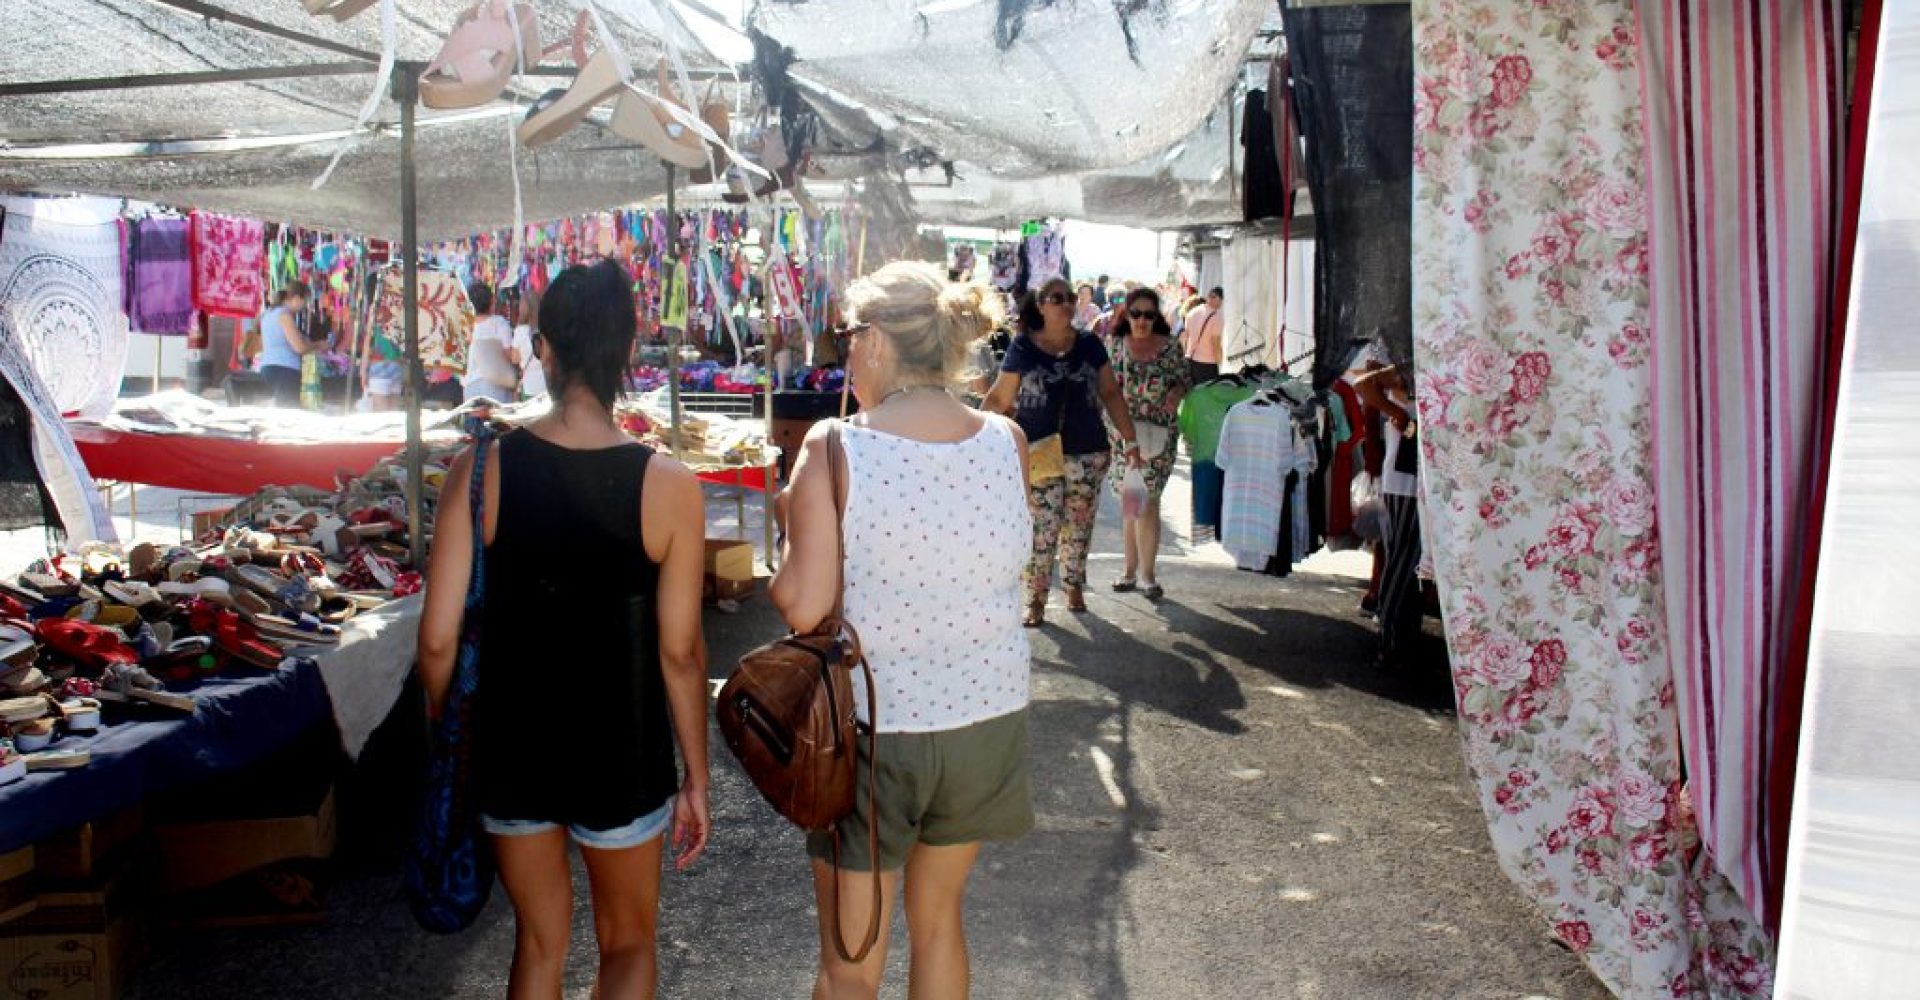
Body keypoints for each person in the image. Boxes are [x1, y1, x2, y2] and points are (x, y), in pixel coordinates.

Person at [416, 261, 712, 999]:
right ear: (627, 352)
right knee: (629, 945)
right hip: (623, 750)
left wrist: (444, 725)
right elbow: (680, 652)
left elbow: (436, 641)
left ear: (543, 348)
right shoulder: (669, 485)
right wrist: (698, 776)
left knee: (540, 944)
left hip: (513, 742)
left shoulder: (479, 470)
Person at [770, 261, 1034, 1000]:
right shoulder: (1005, 440)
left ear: (878, 342)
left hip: (877, 729)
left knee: (851, 968)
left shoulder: (834, 447)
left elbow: (800, 603)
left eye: (849, 335)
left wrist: (790, 530)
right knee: (941, 921)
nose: (844, 351)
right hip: (986, 719)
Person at [984, 277, 1142, 627]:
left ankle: (1072, 584)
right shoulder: (1023, 347)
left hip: (1087, 450)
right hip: (1038, 451)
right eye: (1057, 298)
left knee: (1079, 524)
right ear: (1040, 305)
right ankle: (1036, 598)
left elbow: (1111, 393)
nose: (1067, 303)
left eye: (1070, 297)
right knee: (1042, 528)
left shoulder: (1089, 345)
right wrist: (973, 438)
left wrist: (1130, 440)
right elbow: (1000, 398)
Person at [1107, 288, 1190, 599]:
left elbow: (1185, 379)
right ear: (1126, 315)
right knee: (1131, 500)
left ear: (1157, 317)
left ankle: (1147, 574)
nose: (1142, 320)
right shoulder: (1114, 345)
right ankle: (1129, 571)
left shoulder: (1169, 348)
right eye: (1136, 313)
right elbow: (1103, 385)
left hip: (1158, 434)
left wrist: (1176, 394)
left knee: (1148, 503)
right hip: (1121, 434)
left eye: (1149, 314)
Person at [255, 281, 319, 407]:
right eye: (304, 302)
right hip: (284, 371)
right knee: (287, 415)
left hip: (267, 367)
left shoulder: (267, 314)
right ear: (296, 298)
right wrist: (317, 345)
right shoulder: (284, 316)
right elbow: (299, 347)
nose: (304, 306)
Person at [464, 281, 518, 404]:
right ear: (492, 301)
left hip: (470, 387)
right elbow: (509, 354)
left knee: (473, 422)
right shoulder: (499, 323)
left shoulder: (466, 325)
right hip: (495, 387)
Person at [510, 287, 548, 400]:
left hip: (530, 385)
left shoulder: (520, 332)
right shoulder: (547, 329)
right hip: (547, 384)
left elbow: (514, 359)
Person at [1181, 287, 1224, 384]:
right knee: (1207, 396)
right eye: (1221, 301)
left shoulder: (1192, 312)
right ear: (1217, 299)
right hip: (1207, 364)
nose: (1221, 304)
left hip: (1190, 360)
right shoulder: (1216, 317)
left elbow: (1185, 338)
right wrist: (1220, 361)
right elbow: (1215, 344)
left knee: (1192, 394)